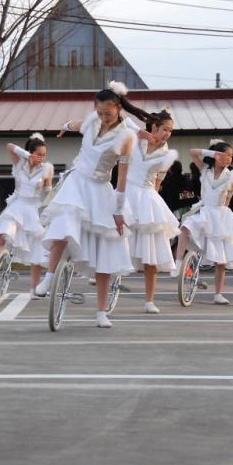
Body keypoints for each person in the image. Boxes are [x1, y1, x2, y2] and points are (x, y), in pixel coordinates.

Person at [34, 81, 150, 328]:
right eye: (99, 113)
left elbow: (122, 176)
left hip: (100, 190)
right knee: (64, 225)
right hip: (76, 182)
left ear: (119, 109)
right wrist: (65, 126)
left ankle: (100, 312)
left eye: (108, 114)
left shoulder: (126, 136)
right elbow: (78, 125)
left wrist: (119, 211)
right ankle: (50, 276)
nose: (103, 118)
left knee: (105, 253)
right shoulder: (92, 121)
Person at [171, 140, 233, 304]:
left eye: (231, 156)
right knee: (185, 228)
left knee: (221, 260)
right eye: (226, 155)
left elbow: (228, 201)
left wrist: (223, 216)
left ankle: (218, 294)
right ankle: (178, 262)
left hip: (220, 214)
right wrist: (212, 153)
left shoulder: (232, 176)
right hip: (204, 210)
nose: (229, 159)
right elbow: (192, 151)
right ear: (217, 155)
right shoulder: (205, 170)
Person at [0, 133, 53, 296]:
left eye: (44, 155)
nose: (41, 157)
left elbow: (48, 193)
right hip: (18, 205)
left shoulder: (46, 169)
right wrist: (28, 156)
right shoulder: (20, 162)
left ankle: (34, 289)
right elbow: (9, 146)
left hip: (34, 208)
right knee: (3, 234)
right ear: (30, 152)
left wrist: (47, 210)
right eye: (38, 154)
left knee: (37, 251)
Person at [125, 108, 179, 314]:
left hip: (148, 198)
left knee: (151, 252)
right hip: (127, 193)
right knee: (115, 238)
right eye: (165, 129)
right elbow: (121, 118)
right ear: (154, 127)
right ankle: (104, 278)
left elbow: (157, 182)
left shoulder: (167, 154)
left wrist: (154, 205)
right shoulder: (138, 138)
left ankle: (149, 300)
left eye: (171, 131)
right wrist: (138, 131)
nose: (167, 134)